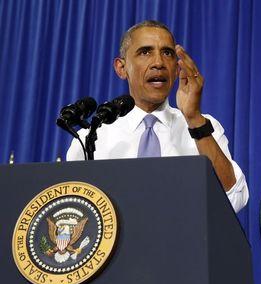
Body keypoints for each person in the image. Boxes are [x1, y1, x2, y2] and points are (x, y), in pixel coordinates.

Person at [66, 20, 248, 213]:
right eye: (145, 52)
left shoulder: (203, 127)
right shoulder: (93, 136)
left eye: (167, 53)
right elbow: (73, 209)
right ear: (121, 68)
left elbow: (235, 198)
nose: (159, 63)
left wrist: (194, 120)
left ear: (177, 69)